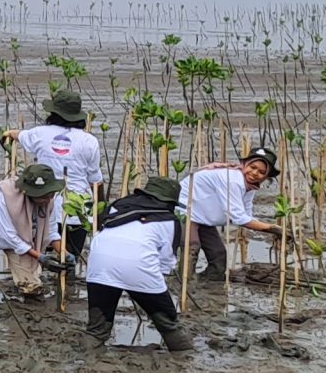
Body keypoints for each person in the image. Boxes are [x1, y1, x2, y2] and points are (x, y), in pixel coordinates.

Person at [85, 175, 193, 352]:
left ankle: (86, 358)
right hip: (140, 267)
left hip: (99, 263)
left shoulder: (117, 206)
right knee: (168, 323)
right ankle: (184, 357)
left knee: (96, 328)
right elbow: (166, 262)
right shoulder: (169, 219)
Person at [175, 146, 283, 290]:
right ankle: (184, 286)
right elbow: (239, 218)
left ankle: (208, 287)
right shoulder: (234, 180)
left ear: (266, 176)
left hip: (203, 216)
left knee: (219, 255)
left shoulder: (249, 185)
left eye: (261, 172)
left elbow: (246, 214)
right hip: (185, 210)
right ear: (245, 164)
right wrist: (273, 229)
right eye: (252, 167)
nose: (254, 173)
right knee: (192, 247)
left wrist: (269, 228)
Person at [18, 91, 103, 261]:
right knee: (72, 257)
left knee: (43, 256)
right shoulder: (89, 141)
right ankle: (66, 284)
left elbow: (19, 135)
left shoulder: (39, 133)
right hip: (78, 209)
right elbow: (96, 182)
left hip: (45, 205)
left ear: (53, 113)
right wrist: (99, 216)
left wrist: (9, 135)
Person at [0, 162, 67, 300]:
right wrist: (40, 257)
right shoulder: (4, 194)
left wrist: (64, 253)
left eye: (50, 194)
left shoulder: (50, 200)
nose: (48, 199)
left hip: (23, 238)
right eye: (44, 196)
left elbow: (52, 231)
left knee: (31, 287)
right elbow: (9, 235)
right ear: (29, 192)